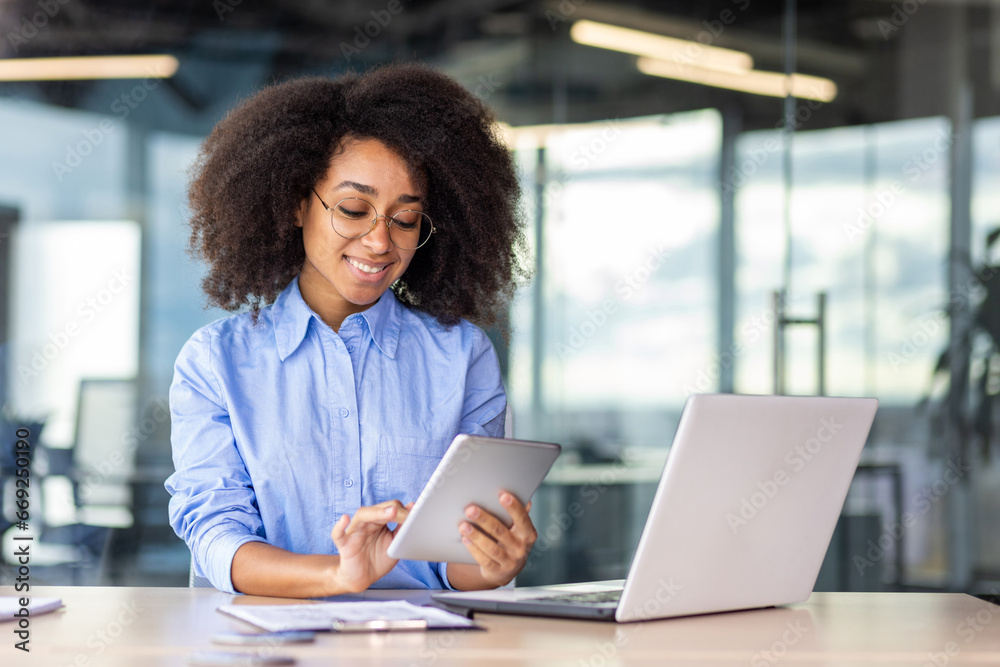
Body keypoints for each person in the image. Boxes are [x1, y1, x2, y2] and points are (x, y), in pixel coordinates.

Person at [165, 63, 531, 598]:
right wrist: (336, 576)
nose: (380, 242)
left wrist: (494, 563)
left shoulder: (462, 356)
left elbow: (457, 558)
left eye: (404, 220)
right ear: (294, 202)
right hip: (269, 647)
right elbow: (216, 534)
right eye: (354, 209)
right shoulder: (214, 363)